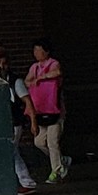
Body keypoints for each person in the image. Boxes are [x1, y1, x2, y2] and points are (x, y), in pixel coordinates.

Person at [0, 40, 39, 195]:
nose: (0, 65)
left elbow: (27, 101)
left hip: (12, 121)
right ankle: (25, 181)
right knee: (12, 152)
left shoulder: (13, 80)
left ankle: (25, 181)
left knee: (10, 151)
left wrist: (33, 121)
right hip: (6, 121)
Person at [26, 40, 67, 183]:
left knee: (52, 141)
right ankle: (61, 161)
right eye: (35, 50)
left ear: (47, 51)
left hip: (55, 110)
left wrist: (42, 78)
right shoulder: (34, 67)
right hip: (40, 109)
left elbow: (57, 72)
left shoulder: (54, 63)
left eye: (39, 50)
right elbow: (27, 81)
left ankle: (56, 171)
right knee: (39, 141)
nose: (36, 53)